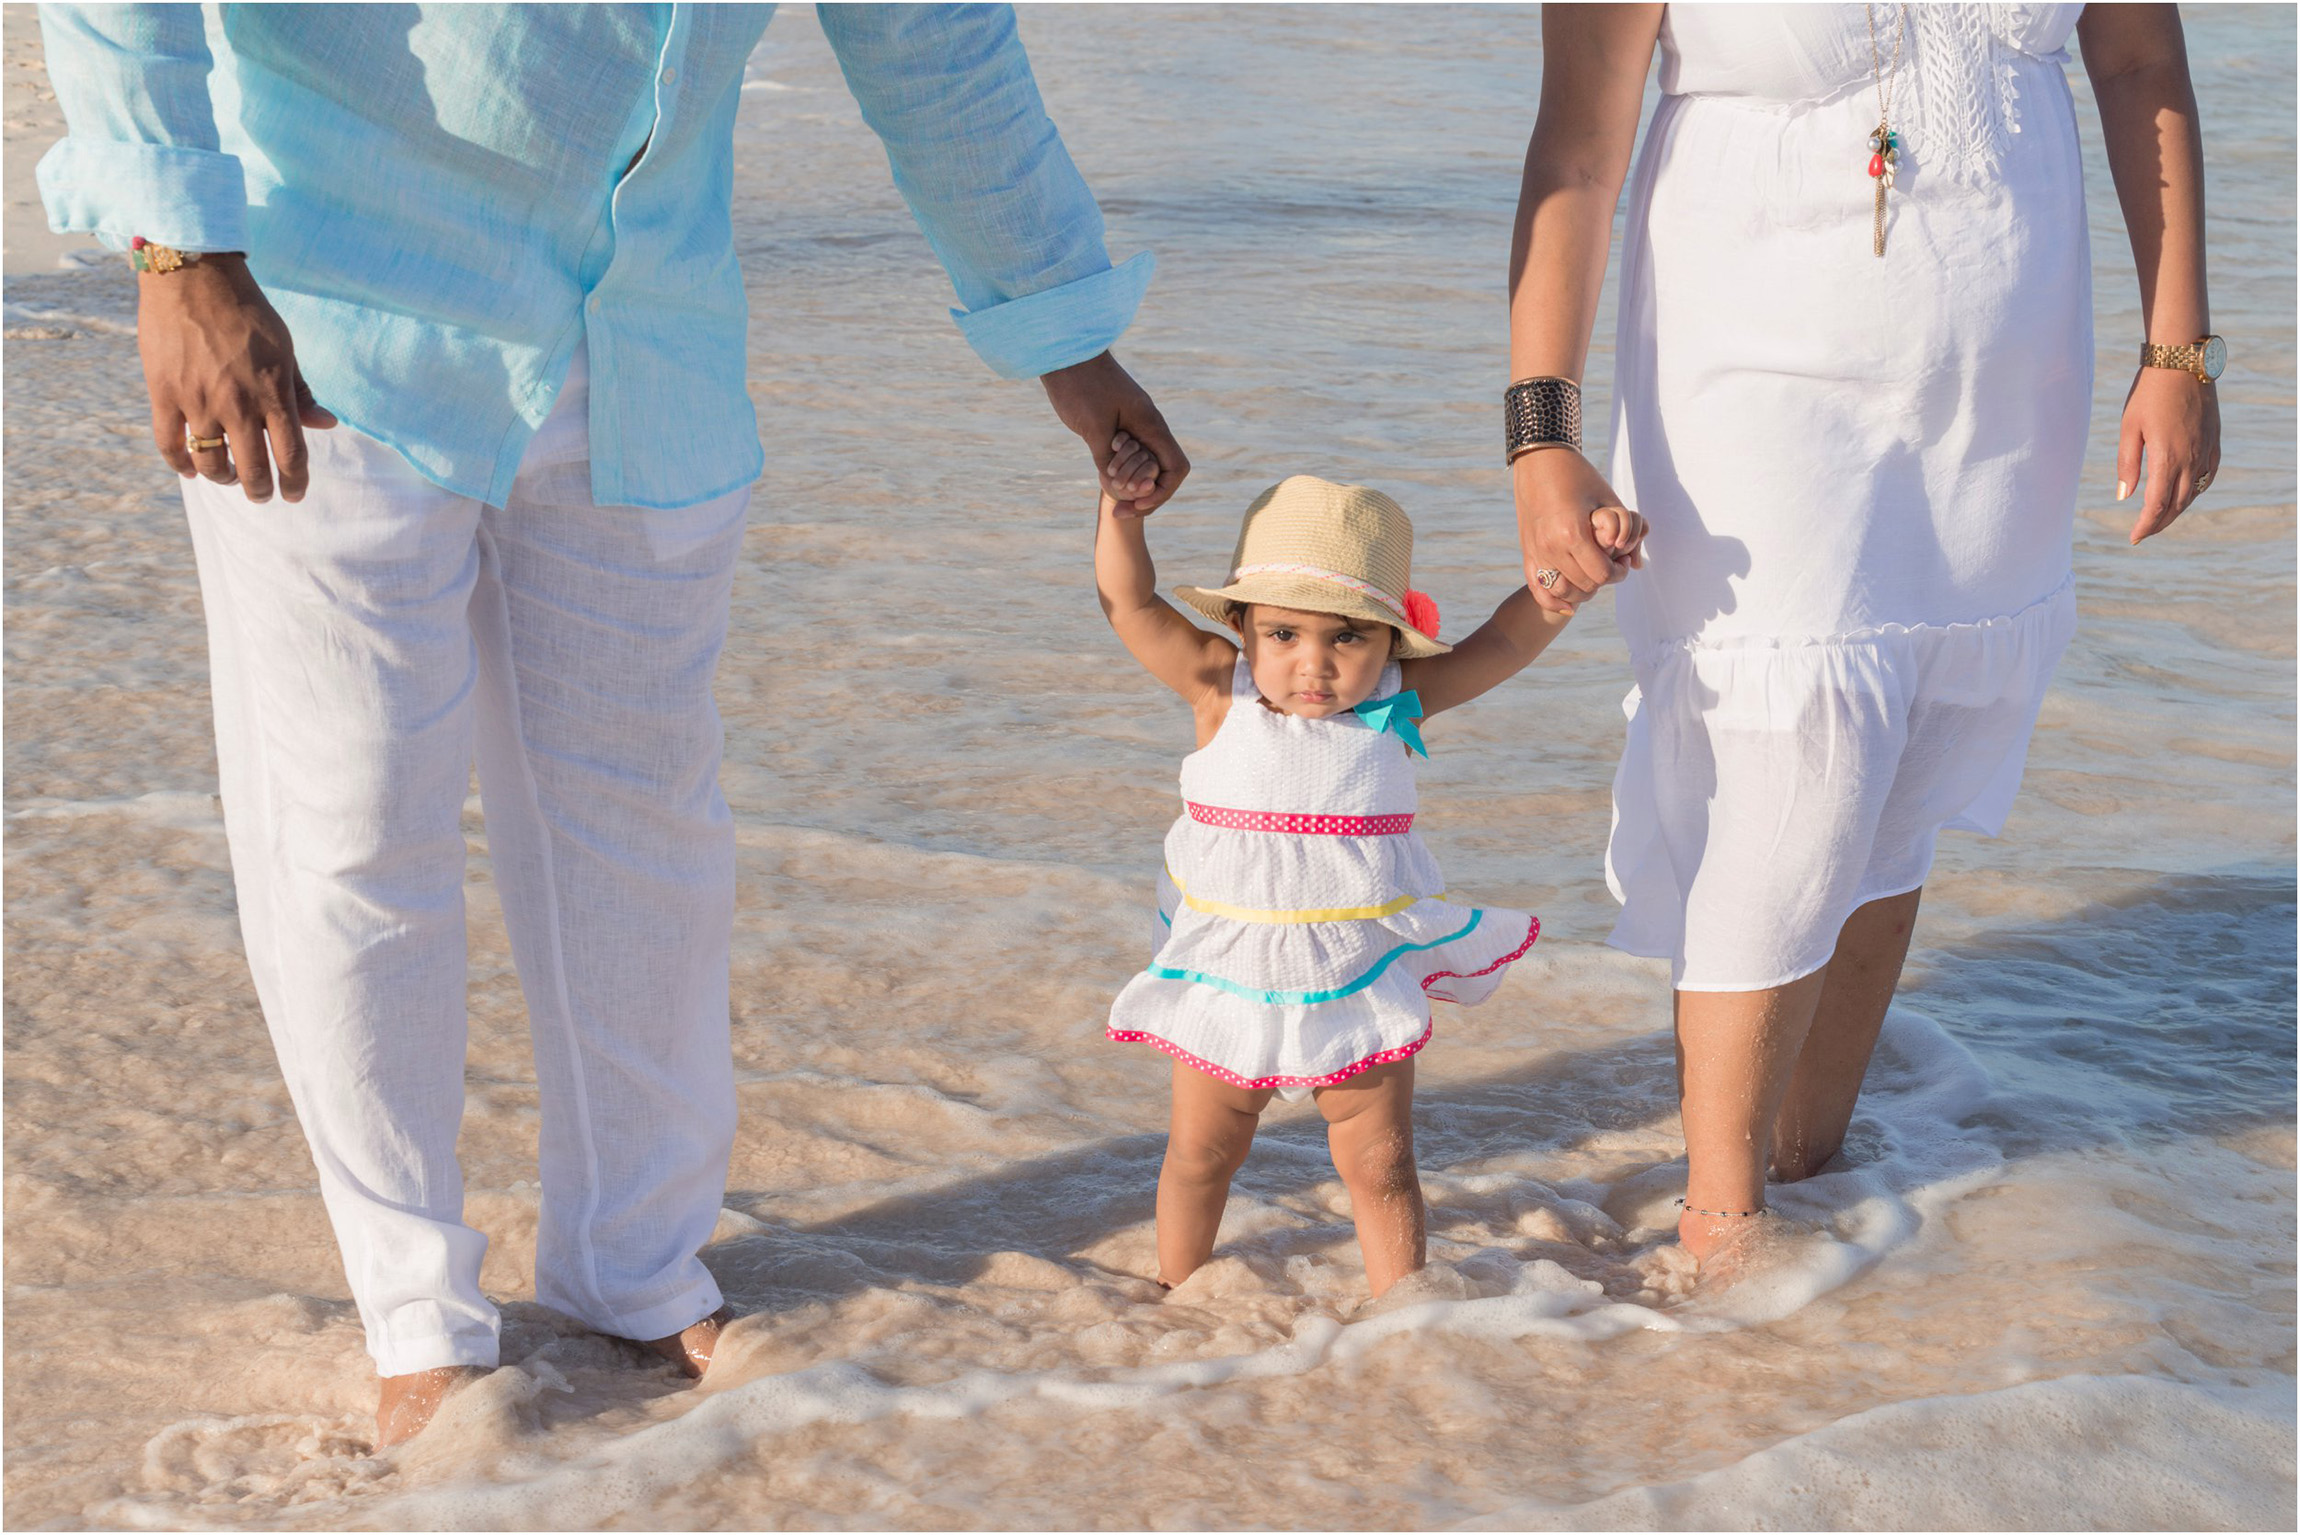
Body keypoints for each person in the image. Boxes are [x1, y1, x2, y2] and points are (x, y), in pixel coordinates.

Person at [35, 2, 1189, 1445]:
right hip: (325, 314)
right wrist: (180, 255)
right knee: (349, 829)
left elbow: (931, 34)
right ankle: (417, 1312)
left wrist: (1061, 332)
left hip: (649, 332)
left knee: (648, 827)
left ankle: (634, 1265)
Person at [1506, 3, 2221, 1263]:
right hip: (1755, 377)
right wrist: (1539, 437)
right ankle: (1720, 1237)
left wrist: (2179, 349)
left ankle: (1809, 1170)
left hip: (1998, 383)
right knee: (1798, 760)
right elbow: (1575, 154)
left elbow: (2135, 61)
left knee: (1909, 754)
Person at [1093, 460, 1644, 1295]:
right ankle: (1179, 1299)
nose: (1313, 663)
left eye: (1346, 636)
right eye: (1283, 634)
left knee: (1381, 1163)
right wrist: (1121, 516)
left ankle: (1404, 1314)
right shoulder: (1218, 692)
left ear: (1391, 641)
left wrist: (1560, 584)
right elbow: (1131, 603)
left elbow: (1502, 642)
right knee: (1202, 1155)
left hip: (1355, 971)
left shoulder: (1398, 701)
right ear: (1242, 628)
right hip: (1227, 972)